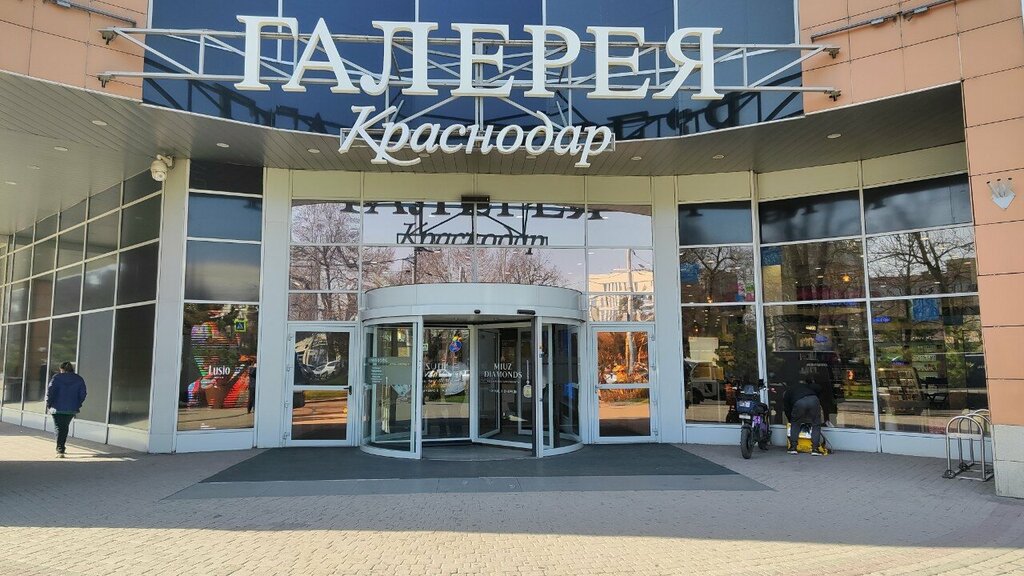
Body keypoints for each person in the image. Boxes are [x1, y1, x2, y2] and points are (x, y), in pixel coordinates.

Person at [45, 362, 87, 458]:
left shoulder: (56, 378)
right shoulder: (79, 379)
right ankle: (61, 448)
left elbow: (50, 392)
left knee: (59, 427)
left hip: (57, 408)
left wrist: (48, 403)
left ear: (62, 369)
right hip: (71, 408)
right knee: (64, 426)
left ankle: (60, 449)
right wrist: (78, 403)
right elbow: (83, 394)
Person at [783, 378, 823, 456]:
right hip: (814, 399)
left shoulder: (788, 392)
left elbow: (787, 409)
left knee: (795, 423)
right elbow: (818, 387)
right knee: (816, 424)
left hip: (799, 402)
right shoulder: (805, 386)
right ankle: (815, 449)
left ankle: (793, 448)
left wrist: (790, 419)